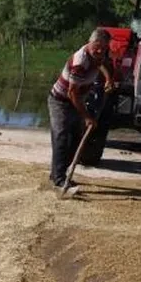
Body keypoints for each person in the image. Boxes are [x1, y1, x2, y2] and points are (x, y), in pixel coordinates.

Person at [48, 28, 116, 191]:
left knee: (76, 139)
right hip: (60, 101)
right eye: (97, 47)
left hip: (76, 101)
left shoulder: (98, 54)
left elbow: (100, 64)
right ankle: (59, 179)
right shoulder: (80, 61)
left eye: (104, 48)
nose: (100, 51)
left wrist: (108, 78)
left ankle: (58, 173)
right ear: (90, 42)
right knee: (62, 137)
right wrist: (87, 117)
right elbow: (72, 93)